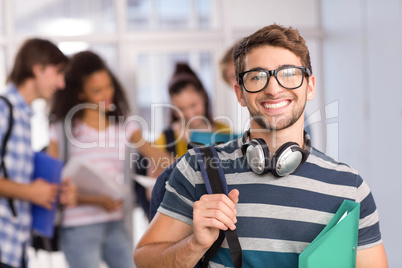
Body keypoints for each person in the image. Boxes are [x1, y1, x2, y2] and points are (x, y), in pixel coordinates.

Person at [133, 24, 388, 267]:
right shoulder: (197, 168)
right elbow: (145, 260)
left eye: (288, 74)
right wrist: (195, 244)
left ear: (310, 86)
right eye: (257, 77)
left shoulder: (350, 187)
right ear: (240, 92)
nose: (274, 88)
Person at [47, 50, 171, 268]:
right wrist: (96, 200)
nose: (107, 94)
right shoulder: (63, 130)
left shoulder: (125, 126)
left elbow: (159, 158)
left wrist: (167, 166)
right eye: (97, 90)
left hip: (115, 223)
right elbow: (52, 183)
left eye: (108, 85)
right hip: (78, 227)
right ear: (80, 94)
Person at [0, 38, 76, 268]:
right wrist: (30, 192)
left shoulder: (23, 117)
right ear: (38, 68)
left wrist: (53, 192)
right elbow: (24, 190)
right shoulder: (3, 110)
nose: (61, 84)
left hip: (16, 249)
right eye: (58, 73)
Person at [153, 62, 231, 159]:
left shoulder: (224, 130)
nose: (189, 114)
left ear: (203, 97)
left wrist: (194, 139)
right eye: (181, 108)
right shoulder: (165, 139)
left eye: (193, 105)